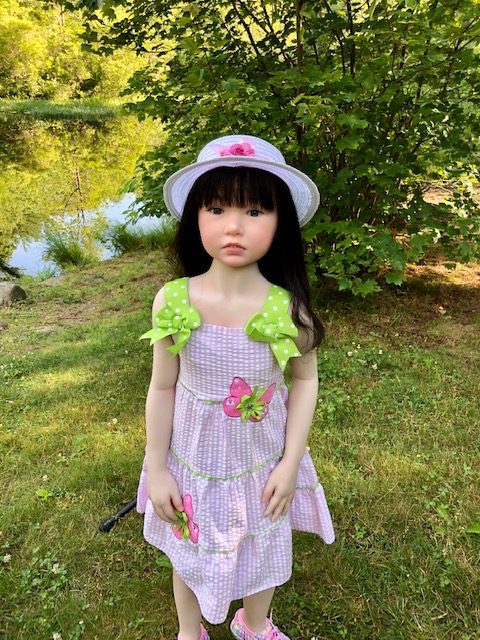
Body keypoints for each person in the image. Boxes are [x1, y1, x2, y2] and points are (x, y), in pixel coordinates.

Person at [136, 134, 335, 640]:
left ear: (280, 222)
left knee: (262, 545)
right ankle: (189, 630)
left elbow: (305, 381)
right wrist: (157, 467)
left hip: (259, 461)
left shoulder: (287, 311)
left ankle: (254, 622)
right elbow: (162, 387)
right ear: (195, 218)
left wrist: (290, 463)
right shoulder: (173, 301)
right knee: (187, 546)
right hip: (192, 461)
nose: (233, 226)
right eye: (217, 208)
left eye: (254, 211)